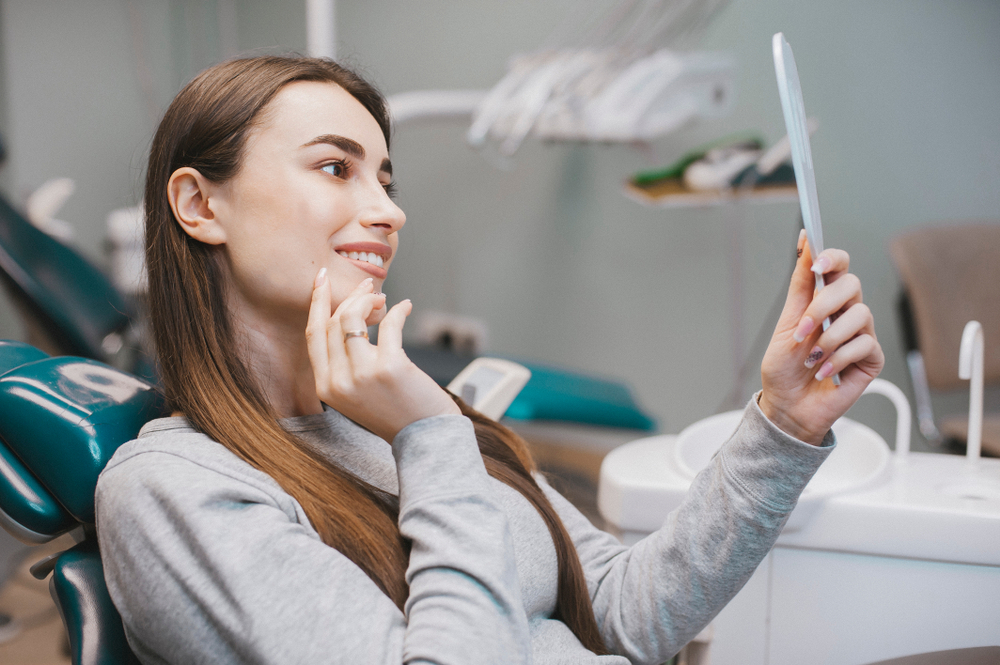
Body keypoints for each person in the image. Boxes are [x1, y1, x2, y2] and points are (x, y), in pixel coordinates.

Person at [95, 55, 883, 665]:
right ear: (200, 205)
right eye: (336, 167)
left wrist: (784, 421)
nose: (391, 210)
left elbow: (625, 608)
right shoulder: (175, 491)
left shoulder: (396, 423)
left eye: (386, 176)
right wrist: (434, 437)